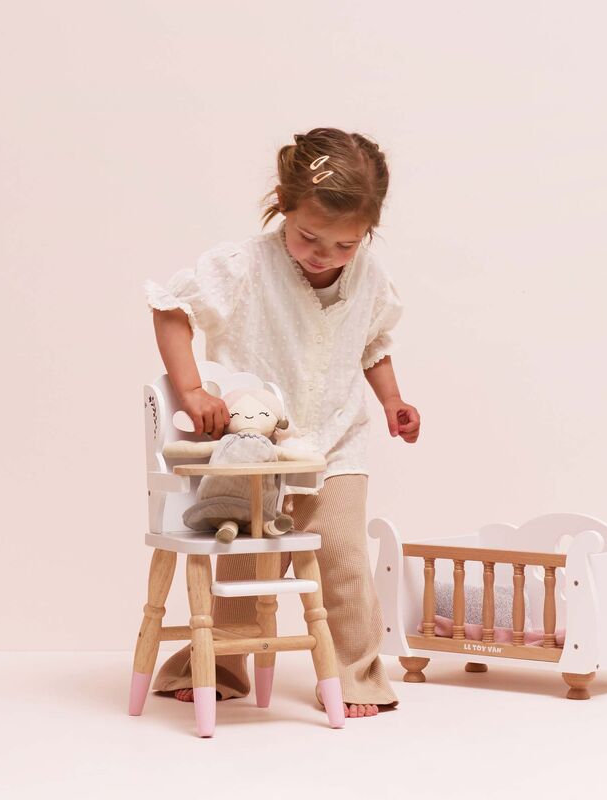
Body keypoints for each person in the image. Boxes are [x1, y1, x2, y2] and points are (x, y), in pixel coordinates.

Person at [144, 127, 421, 718]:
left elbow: (373, 343)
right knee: (246, 558)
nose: (324, 254)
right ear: (283, 205)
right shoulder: (244, 266)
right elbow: (172, 308)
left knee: (344, 559)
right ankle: (220, 664)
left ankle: (355, 674)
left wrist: (393, 400)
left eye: (345, 244)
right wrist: (191, 389)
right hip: (255, 447)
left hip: (337, 444)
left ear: (367, 233)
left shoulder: (371, 279)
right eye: (308, 236)